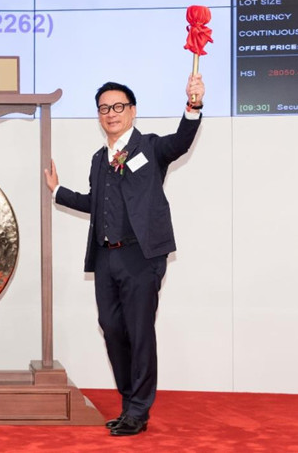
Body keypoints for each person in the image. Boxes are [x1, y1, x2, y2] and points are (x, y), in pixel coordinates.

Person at [43, 74, 204, 437]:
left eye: (118, 106)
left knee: (139, 331)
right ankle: (130, 401)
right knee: (112, 327)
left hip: (141, 257)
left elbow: (181, 141)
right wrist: (58, 192)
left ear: (132, 111)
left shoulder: (150, 148)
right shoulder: (99, 159)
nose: (111, 113)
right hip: (105, 257)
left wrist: (193, 104)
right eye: (104, 108)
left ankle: (138, 410)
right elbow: (96, 203)